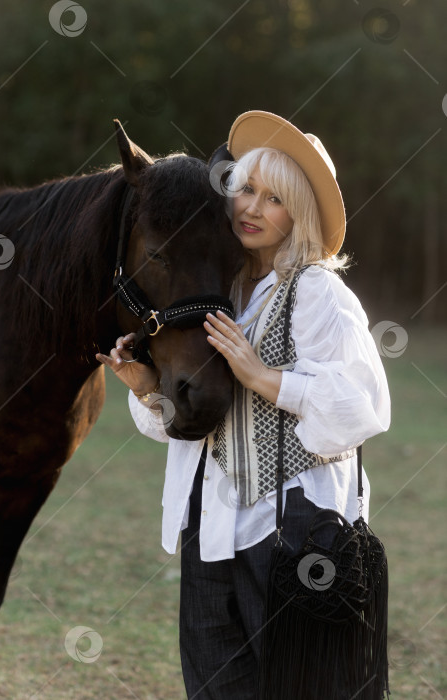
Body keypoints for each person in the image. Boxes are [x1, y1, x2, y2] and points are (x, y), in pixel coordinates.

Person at [97, 110, 390, 699]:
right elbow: (192, 422)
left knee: (301, 686)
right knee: (214, 688)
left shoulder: (316, 292)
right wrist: (146, 387)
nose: (253, 208)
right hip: (207, 525)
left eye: (275, 198)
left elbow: (364, 408)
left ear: (298, 214)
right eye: (246, 189)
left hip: (294, 530)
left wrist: (266, 378)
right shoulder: (216, 291)